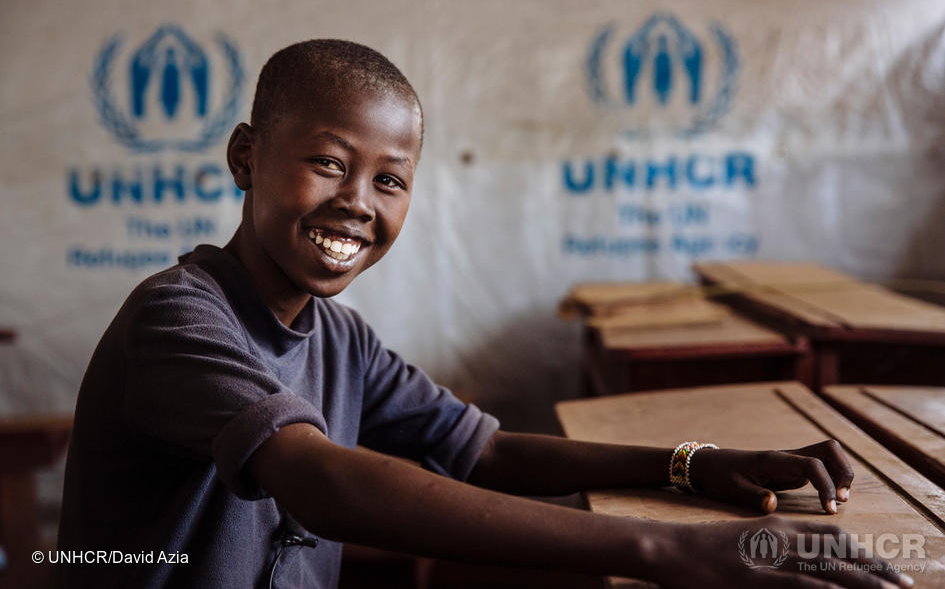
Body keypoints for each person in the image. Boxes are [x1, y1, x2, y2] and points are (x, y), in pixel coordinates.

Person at [57, 39, 913, 589]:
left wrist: (692, 464)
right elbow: (321, 481)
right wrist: (665, 551)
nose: (358, 203)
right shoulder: (177, 320)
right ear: (246, 156)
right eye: (326, 162)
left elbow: (487, 449)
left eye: (389, 180)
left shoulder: (339, 338)